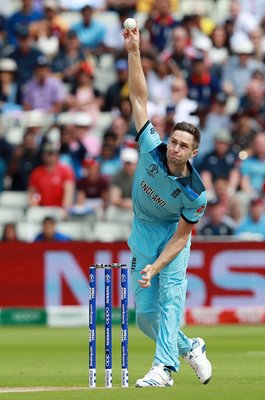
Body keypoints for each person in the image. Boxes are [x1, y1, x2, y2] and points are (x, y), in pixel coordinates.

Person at [123, 24, 212, 387]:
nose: (174, 148)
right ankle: (190, 347)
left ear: (193, 152)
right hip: (143, 228)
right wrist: (134, 51)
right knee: (145, 317)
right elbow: (139, 100)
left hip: (173, 239)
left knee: (171, 297)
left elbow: (180, 238)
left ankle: (164, 369)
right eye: (173, 141)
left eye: (182, 145)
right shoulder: (150, 148)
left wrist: (158, 267)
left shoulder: (196, 192)